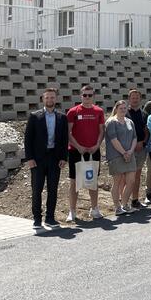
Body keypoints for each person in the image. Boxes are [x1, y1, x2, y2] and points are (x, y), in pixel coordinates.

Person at [24, 87, 68, 229]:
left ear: (56, 99)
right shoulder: (34, 116)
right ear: (43, 99)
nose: (50, 100)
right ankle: (37, 219)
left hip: (55, 159)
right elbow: (28, 139)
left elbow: (64, 140)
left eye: (52, 97)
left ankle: (50, 218)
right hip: (37, 160)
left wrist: (63, 157)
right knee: (37, 189)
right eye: (47, 97)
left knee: (53, 189)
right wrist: (29, 158)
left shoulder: (62, 117)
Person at [66, 85, 105, 222]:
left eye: (90, 95)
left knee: (92, 181)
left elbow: (101, 131)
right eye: (85, 95)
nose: (87, 97)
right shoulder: (73, 111)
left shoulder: (99, 111)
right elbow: (68, 132)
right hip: (75, 152)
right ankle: (72, 211)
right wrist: (78, 146)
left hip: (93, 151)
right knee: (74, 182)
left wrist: (97, 145)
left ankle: (94, 209)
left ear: (93, 96)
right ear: (80, 96)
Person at [104, 100, 138, 215]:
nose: (123, 110)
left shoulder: (130, 122)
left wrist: (130, 151)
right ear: (116, 109)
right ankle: (117, 207)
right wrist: (124, 153)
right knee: (117, 181)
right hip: (116, 156)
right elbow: (113, 140)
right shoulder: (111, 122)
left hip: (130, 154)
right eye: (121, 108)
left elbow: (134, 137)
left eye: (125, 108)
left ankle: (125, 204)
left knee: (131, 181)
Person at [126, 89, 149, 210]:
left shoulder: (144, 114)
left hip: (141, 149)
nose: (135, 99)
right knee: (126, 176)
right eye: (133, 97)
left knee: (137, 175)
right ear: (129, 99)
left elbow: (146, 131)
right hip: (128, 150)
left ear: (140, 99)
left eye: (137, 97)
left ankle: (135, 200)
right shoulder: (124, 113)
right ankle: (124, 200)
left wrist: (143, 142)